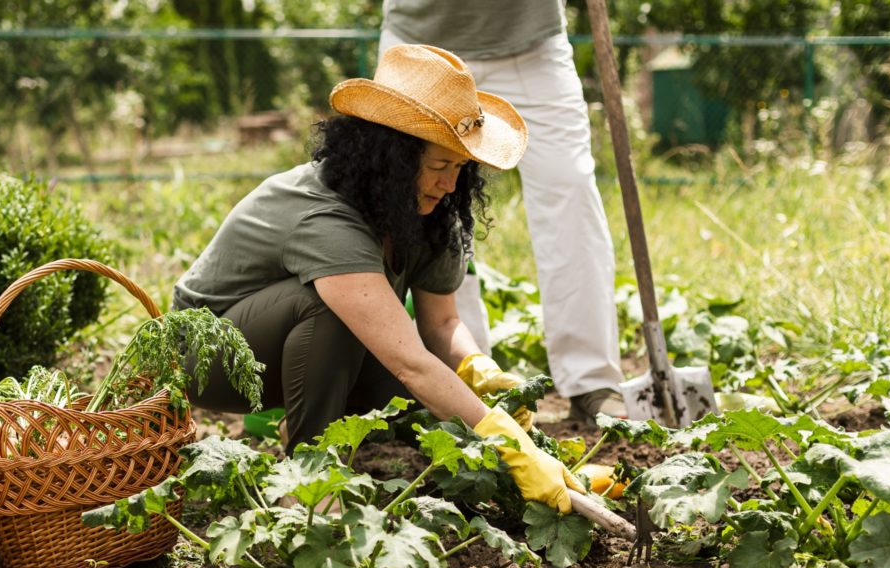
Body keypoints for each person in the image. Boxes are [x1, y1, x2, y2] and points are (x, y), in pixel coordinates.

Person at [173, 44, 585, 513]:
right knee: (342, 320)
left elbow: (442, 325)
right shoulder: (326, 217)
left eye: (460, 167)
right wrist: (508, 446)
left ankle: (308, 421)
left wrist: (477, 369)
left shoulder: (428, 209)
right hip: (207, 358)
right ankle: (309, 482)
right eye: (437, 166)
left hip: (287, 347)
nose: (451, 184)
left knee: (418, 397)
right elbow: (410, 359)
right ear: (390, 158)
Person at [380, 0, 627, 424]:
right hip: (421, 43)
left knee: (569, 186)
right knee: (429, 201)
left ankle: (590, 380)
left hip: (531, 44)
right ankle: (462, 380)